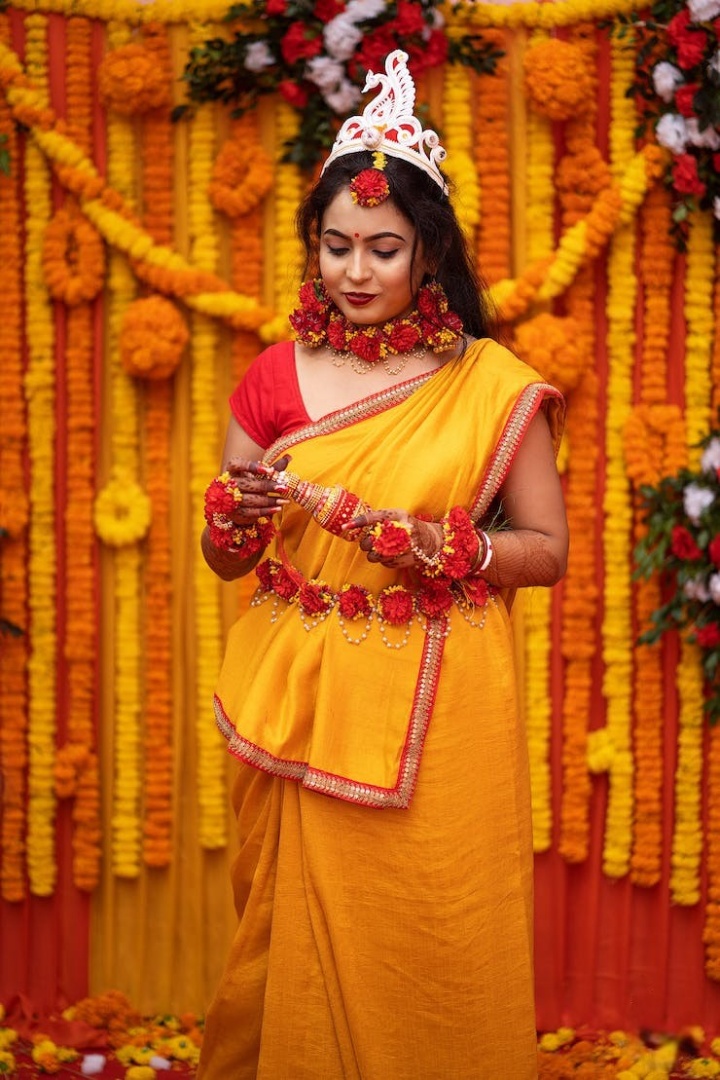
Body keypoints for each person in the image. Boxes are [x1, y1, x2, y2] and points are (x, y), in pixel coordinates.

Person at [196, 49, 568, 1080]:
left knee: (437, 935)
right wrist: (234, 519)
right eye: (337, 245)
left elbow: (546, 551)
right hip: (301, 705)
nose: (356, 272)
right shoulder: (274, 376)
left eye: (384, 249)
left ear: (429, 255)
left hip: (441, 706)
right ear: (314, 246)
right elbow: (228, 558)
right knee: (290, 939)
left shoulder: (487, 384)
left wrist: (443, 545)